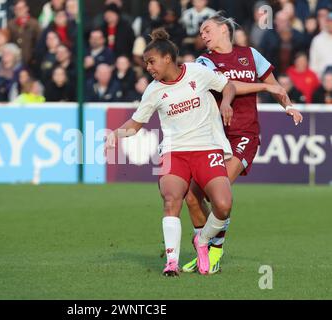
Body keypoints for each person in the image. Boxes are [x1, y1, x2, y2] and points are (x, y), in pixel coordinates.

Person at [105, 28, 237, 276]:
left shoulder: (197, 72)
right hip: (174, 152)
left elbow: (227, 86)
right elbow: (135, 124)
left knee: (223, 204)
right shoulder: (153, 91)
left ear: (167, 58)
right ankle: (171, 262)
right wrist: (115, 134)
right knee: (171, 199)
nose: (148, 67)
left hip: (206, 148)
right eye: (146, 63)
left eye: (151, 61)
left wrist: (227, 102)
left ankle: (202, 240)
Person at [181, 13, 304, 274]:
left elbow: (275, 86)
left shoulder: (250, 54)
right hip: (213, 136)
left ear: (224, 29)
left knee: (219, 191)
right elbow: (229, 85)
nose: (202, 35)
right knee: (191, 196)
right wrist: (263, 88)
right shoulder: (204, 61)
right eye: (201, 32)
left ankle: (213, 251)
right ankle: (204, 251)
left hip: (244, 134)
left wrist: (289, 106)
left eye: (207, 29)